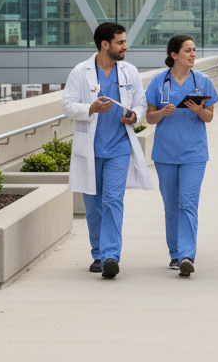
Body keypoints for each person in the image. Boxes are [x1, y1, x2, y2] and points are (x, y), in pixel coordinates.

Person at [61, 22, 152, 280]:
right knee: (94, 204)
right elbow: (67, 105)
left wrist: (135, 115)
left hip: (119, 147)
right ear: (105, 44)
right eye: (120, 42)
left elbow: (141, 103)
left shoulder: (129, 71)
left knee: (113, 201)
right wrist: (90, 109)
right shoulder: (81, 72)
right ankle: (98, 253)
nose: (125, 47)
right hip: (90, 148)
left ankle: (111, 255)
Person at [145, 35, 218, 277]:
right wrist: (162, 112)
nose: (193, 55)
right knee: (171, 206)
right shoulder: (159, 81)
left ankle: (187, 255)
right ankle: (175, 253)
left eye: (195, 50)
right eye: (188, 50)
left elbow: (209, 117)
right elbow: (149, 117)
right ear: (174, 54)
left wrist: (199, 109)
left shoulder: (203, 81)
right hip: (165, 153)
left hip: (194, 154)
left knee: (188, 203)